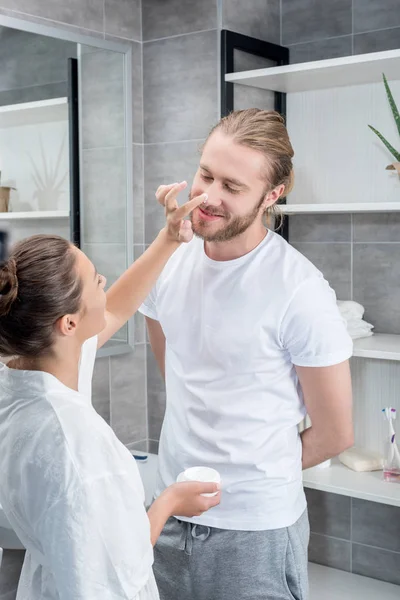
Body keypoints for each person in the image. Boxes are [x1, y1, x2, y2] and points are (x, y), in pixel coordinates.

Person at [139, 109, 354, 600]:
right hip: (168, 514)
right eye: (206, 175)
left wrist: (253, 476)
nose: (210, 197)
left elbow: (337, 433)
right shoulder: (168, 262)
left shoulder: (299, 291)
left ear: (271, 195)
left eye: (232, 187)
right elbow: (176, 376)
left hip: (256, 533)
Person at [0, 185, 220, 600]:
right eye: (95, 280)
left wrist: (170, 237)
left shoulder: (20, 377)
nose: (105, 281)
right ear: (67, 324)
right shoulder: (78, 447)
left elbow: (114, 307)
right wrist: (169, 502)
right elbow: (113, 572)